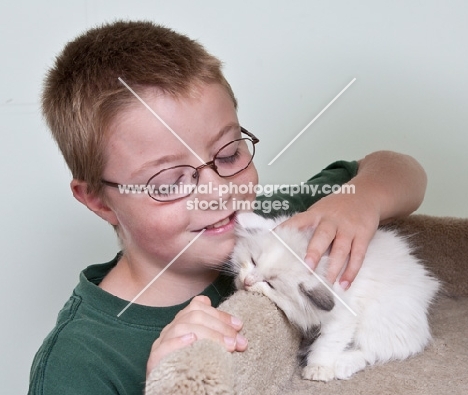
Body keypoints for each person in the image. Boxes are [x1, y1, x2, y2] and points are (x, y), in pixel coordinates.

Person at [28, 20, 427, 395]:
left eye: (230, 153)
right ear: (98, 200)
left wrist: (363, 201)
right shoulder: (78, 362)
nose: (217, 192)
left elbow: (401, 170)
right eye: (169, 182)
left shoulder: (279, 229)